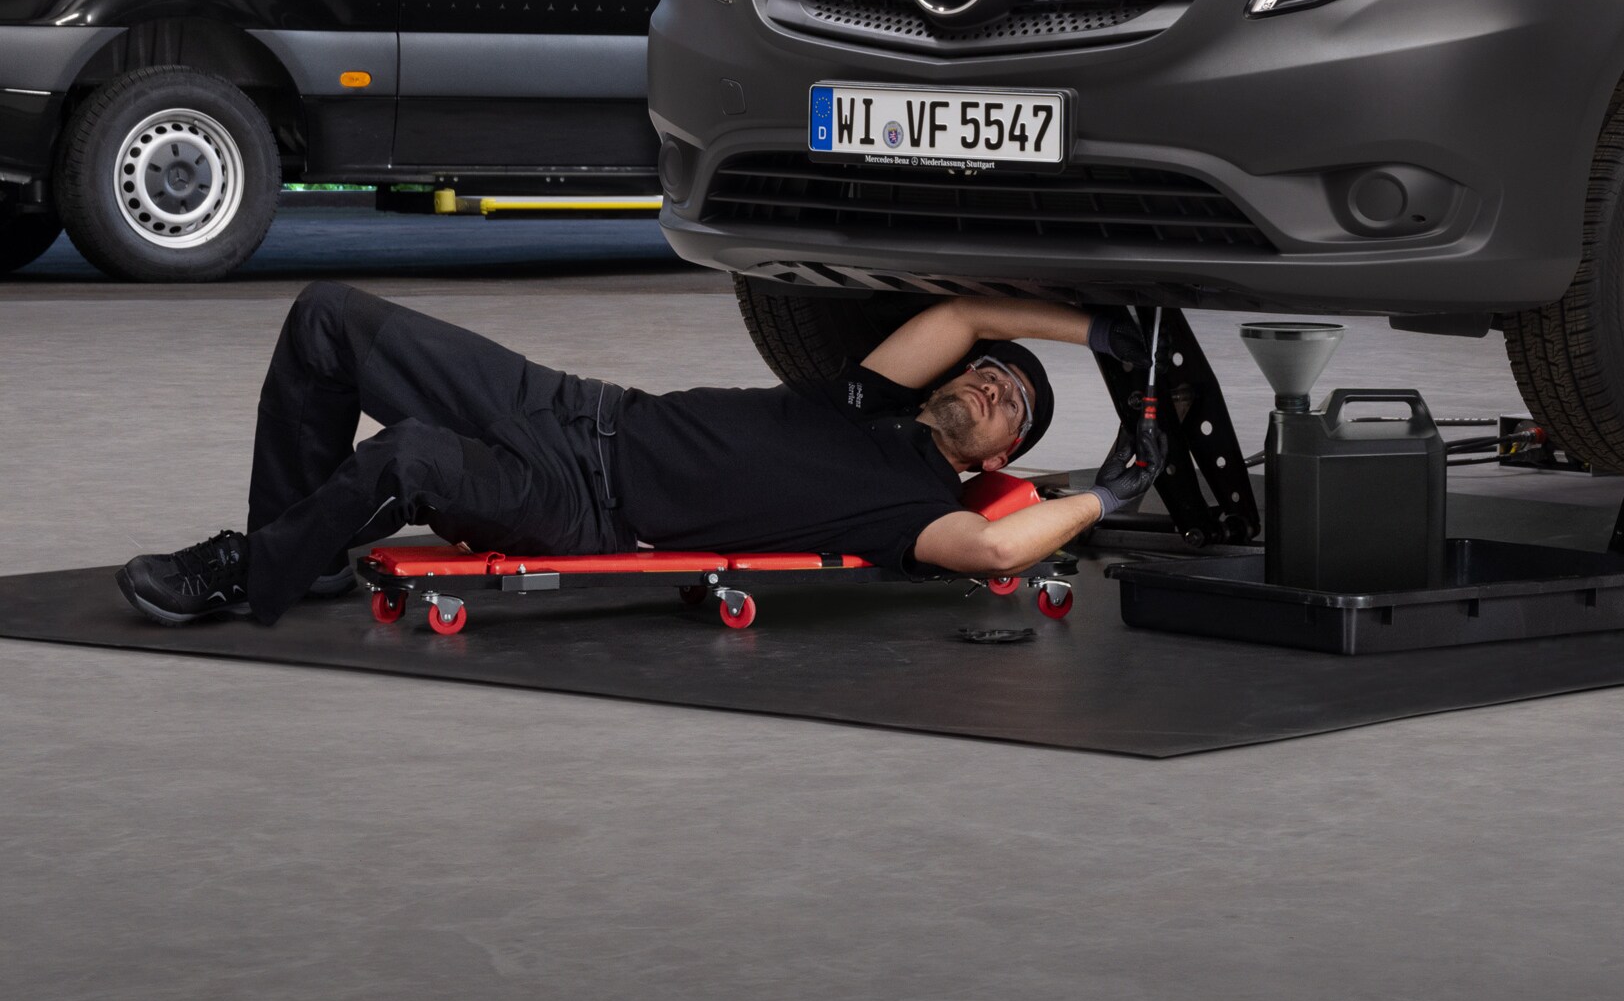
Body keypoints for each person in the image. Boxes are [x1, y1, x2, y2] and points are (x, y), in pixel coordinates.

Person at [116, 281, 1167, 626]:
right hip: (575, 407)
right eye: (987, 374)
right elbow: (966, 311)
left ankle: (246, 575)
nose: (987, 388)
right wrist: (1095, 331)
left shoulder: (913, 515)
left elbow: (994, 555)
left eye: (1008, 407)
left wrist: (1106, 495)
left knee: (409, 458)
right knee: (329, 318)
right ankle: (291, 553)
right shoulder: (866, 402)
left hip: (586, 507)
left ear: (998, 456)